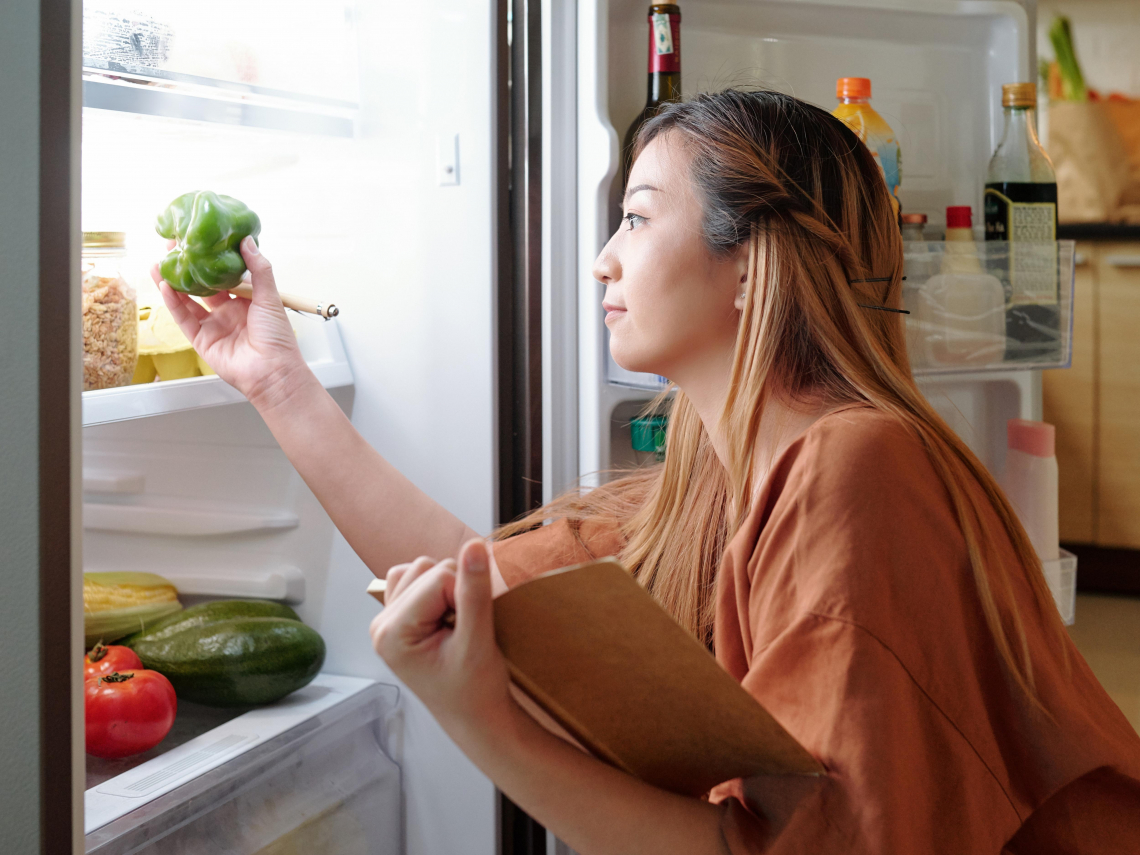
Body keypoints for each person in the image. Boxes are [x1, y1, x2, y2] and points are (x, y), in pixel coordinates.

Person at [155, 89, 1140, 854]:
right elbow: (481, 584)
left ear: (752, 265)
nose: (600, 262)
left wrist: (479, 715)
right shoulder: (719, 478)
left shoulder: (856, 466)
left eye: (634, 217)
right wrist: (279, 383)